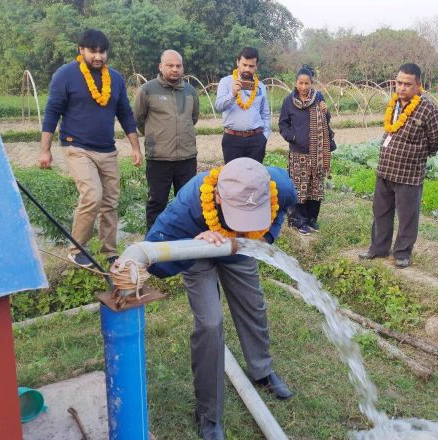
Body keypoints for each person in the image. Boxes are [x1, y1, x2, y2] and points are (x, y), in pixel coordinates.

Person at [145, 158, 297, 440]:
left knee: (253, 305)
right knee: (210, 325)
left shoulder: (279, 185)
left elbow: (280, 212)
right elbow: (155, 262)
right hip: (198, 249)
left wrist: (264, 239)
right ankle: (209, 414)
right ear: (217, 196)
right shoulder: (186, 207)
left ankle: (262, 370)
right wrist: (193, 244)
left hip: (242, 247)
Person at [39, 29, 142, 267]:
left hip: (107, 149)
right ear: (81, 50)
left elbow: (125, 113)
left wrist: (135, 147)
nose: (98, 56)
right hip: (77, 147)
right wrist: (45, 150)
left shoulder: (115, 78)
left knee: (110, 202)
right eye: (93, 51)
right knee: (92, 195)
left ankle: (109, 252)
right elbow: (52, 112)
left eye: (102, 52)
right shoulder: (65, 75)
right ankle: (77, 249)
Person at [358, 63, 438, 268]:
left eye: (407, 84)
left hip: (409, 173)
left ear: (418, 85)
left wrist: (418, 155)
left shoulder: (428, 109)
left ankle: (402, 253)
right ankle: (378, 248)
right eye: (399, 83)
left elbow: (436, 141)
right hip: (386, 169)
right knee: (380, 211)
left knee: (407, 216)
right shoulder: (394, 103)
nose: (402, 88)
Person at [133, 49, 200, 231]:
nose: (174, 69)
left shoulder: (190, 91)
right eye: (170, 65)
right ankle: (153, 241)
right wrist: (157, 137)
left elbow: (193, 119)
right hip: (159, 158)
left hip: (186, 157)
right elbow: (139, 119)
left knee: (187, 201)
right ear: (161, 66)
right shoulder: (147, 90)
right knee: (157, 202)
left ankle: (184, 239)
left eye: (178, 66)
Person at [278, 65, 336, 235]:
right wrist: (293, 137)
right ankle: (298, 221)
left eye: (307, 83)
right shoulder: (289, 101)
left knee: (315, 187)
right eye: (301, 83)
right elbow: (283, 124)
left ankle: (311, 219)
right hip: (298, 153)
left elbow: (326, 120)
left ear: (312, 83)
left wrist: (326, 112)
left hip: (317, 153)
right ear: (295, 83)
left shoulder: (318, 97)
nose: (304, 87)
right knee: (299, 187)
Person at [215, 47, 271, 164]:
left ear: (256, 66)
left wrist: (264, 137)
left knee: (254, 178)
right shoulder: (226, 82)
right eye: (244, 64)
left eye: (251, 66)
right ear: (237, 62)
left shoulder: (260, 86)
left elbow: (265, 114)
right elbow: (218, 106)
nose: (247, 69)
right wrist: (233, 94)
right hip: (232, 140)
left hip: (256, 140)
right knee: (233, 178)